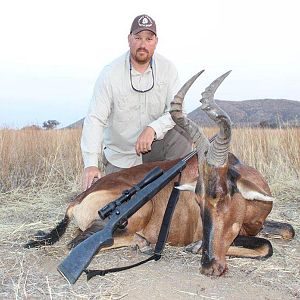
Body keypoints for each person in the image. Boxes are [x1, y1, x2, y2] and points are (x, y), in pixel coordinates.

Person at [81, 14, 192, 190]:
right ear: (129, 39)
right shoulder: (110, 73)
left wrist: (153, 129)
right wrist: (91, 164)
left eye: (149, 39)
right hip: (122, 155)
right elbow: (95, 119)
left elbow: (177, 111)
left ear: (156, 41)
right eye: (138, 38)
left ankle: (178, 191)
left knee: (181, 130)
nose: (143, 44)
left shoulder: (168, 69)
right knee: (116, 205)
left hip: (154, 148)